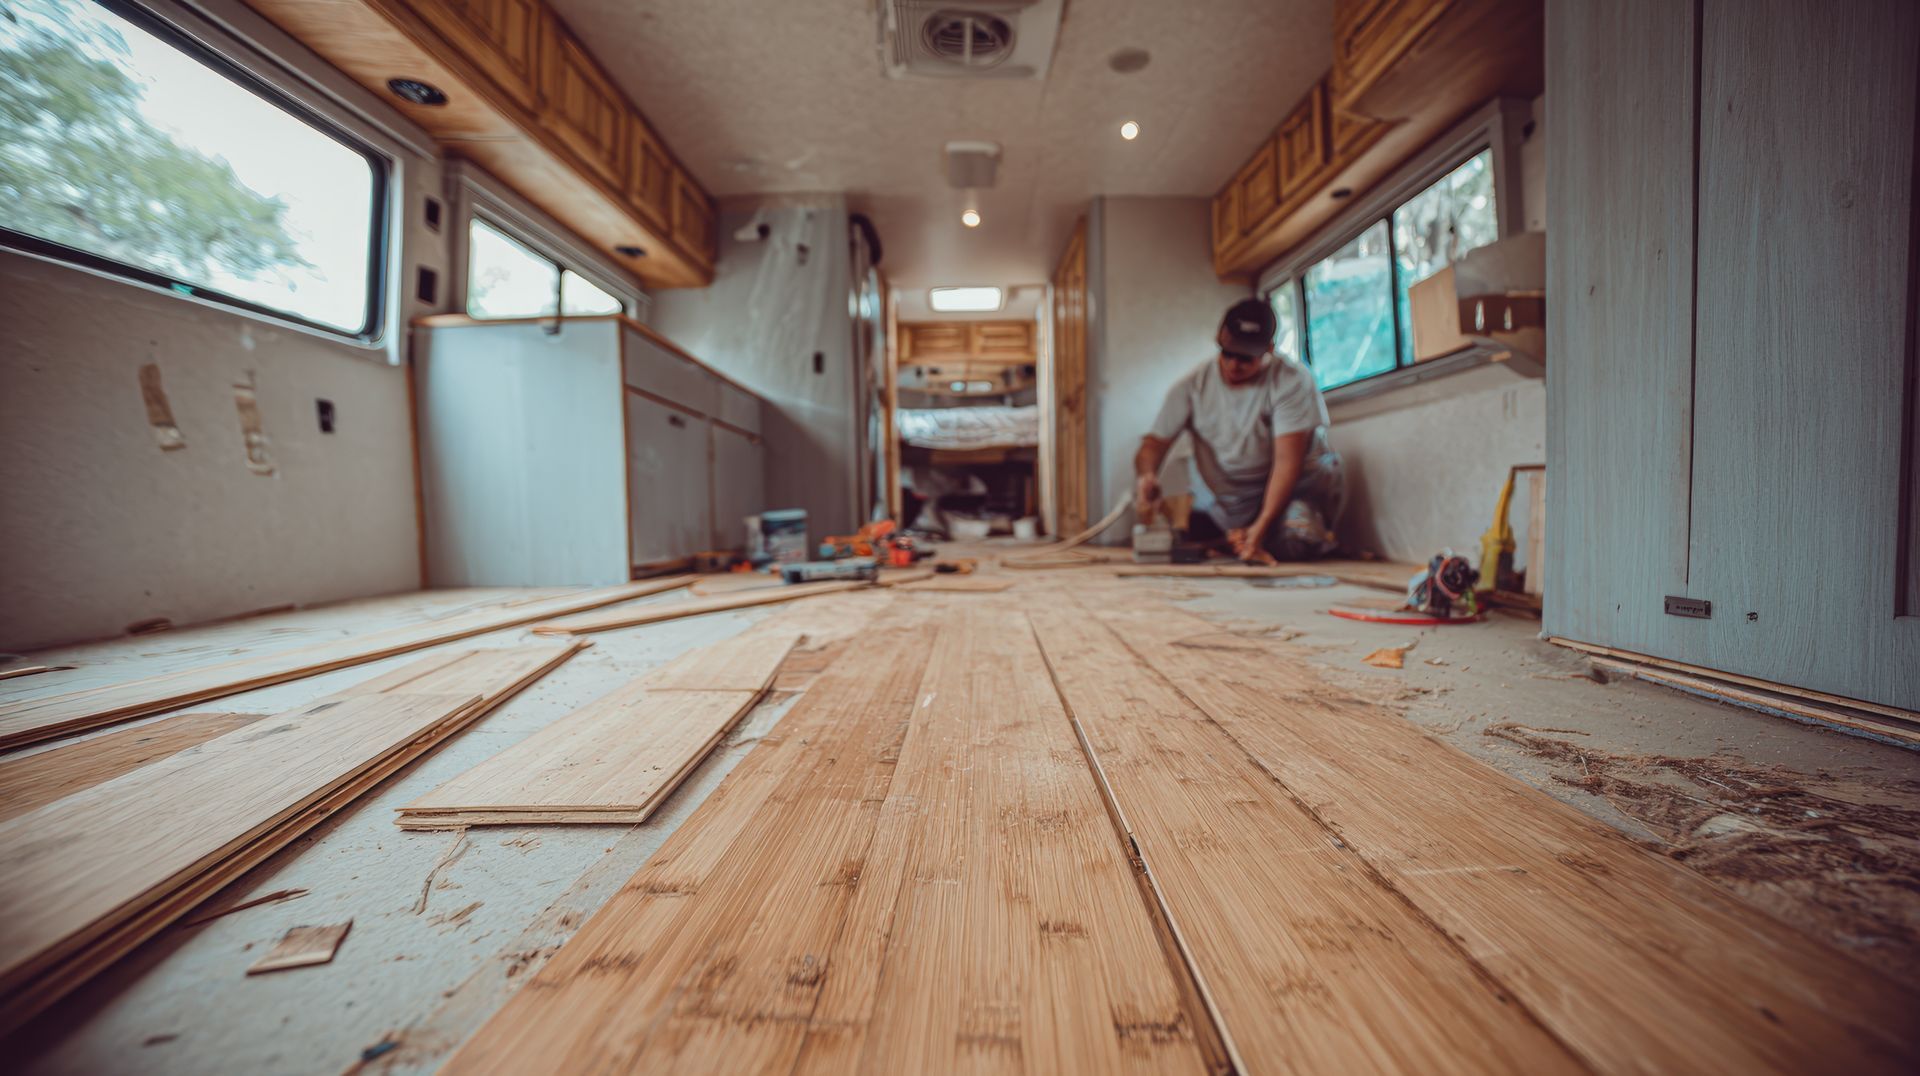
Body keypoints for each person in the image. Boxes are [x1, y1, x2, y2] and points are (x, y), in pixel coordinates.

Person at [1134, 298, 1347, 561]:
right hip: (1232, 501)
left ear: (1268, 349)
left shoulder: (1291, 381)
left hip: (1293, 490)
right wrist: (1147, 475)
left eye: (1246, 357)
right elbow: (1153, 444)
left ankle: (1268, 533)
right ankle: (1239, 537)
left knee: (1296, 540)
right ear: (1219, 340)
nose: (1235, 364)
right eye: (1228, 353)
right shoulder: (1191, 387)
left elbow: (1286, 464)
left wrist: (1262, 525)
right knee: (1194, 539)